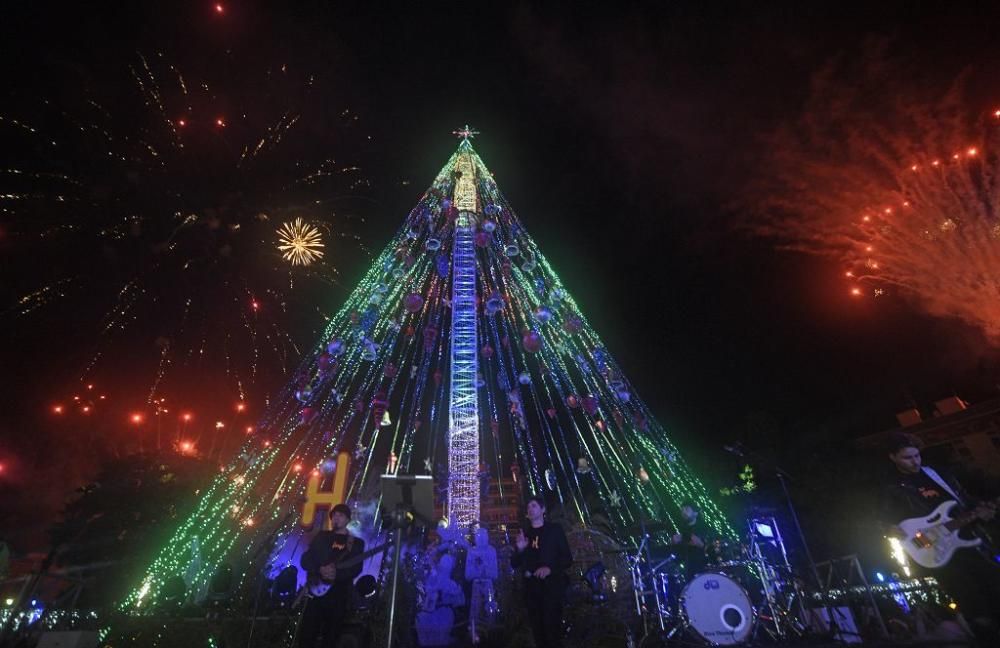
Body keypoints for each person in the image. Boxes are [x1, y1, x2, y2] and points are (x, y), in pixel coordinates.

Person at [879, 432, 999, 645]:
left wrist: (982, 510)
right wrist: (886, 527)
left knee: (993, 584)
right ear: (893, 458)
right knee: (971, 599)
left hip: (968, 538)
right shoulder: (892, 487)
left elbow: (962, 500)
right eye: (908, 457)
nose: (915, 461)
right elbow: (882, 518)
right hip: (935, 547)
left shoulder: (937, 475)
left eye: (917, 456)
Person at [298, 503, 366, 648]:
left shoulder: (356, 543)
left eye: (340, 515)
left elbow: (356, 568)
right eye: (334, 515)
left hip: (338, 595)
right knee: (307, 635)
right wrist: (319, 568)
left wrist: (337, 574)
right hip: (316, 594)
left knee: (331, 636)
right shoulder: (322, 537)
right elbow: (306, 559)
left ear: (348, 520)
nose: (336, 518)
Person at [511, 495, 573, 648]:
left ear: (543, 509)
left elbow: (567, 558)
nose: (530, 509)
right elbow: (514, 563)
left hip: (552, 588)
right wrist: (520, 549)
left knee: (552, 631)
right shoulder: (524, 535)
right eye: (528, 507)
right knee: (538, 633)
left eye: (534, 506)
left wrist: (549, 568)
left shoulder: (555, 530)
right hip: (532, 591)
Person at [670, 501, 712, 574]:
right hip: (689, 570)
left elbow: (711, 549)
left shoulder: (705, 528)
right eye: (682, 510)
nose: (683, 512)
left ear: (695, 513)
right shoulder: (682, 530)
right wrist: (675, 544)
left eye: (686, 509)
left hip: (706, 569)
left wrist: (700, 544)